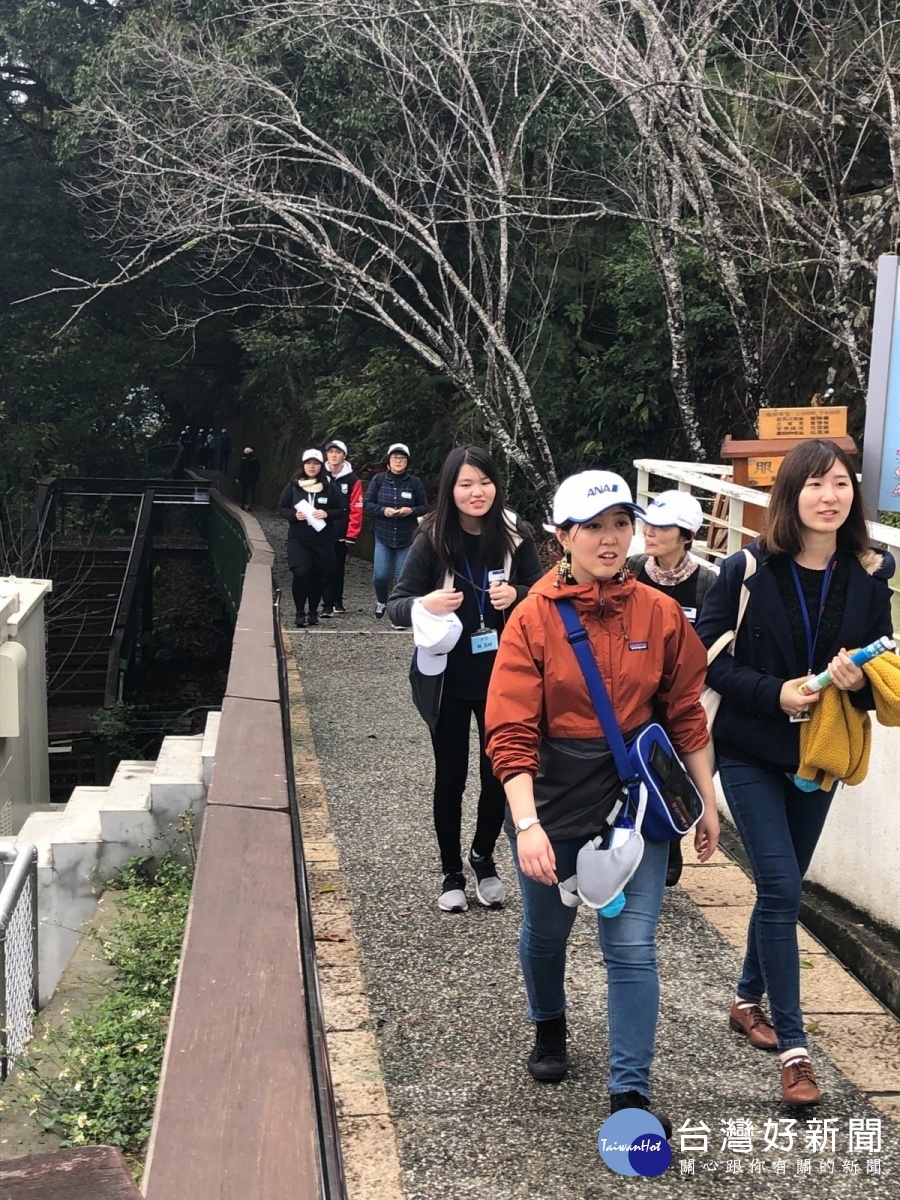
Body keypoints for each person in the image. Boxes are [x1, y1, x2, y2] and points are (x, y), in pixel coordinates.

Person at [485, 469, 719, 1128]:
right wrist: (526, 824)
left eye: (621, 523)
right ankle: (550, 1024)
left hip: (634, 803)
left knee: (633, 947)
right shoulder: (533, 617)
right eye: (593, 526)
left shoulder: (661, 612)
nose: (611, 538)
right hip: (552, 800)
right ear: (562, 537)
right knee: (548, 931)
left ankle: (630, 1093)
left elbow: (685, 715)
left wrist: (704, 802)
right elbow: (510, 731)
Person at [695, 439, 894, 1108]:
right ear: (789, 497)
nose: (829, 496)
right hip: (751, 746)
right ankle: (796, 1050)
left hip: (823, 753)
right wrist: (775, 692)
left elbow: (880, 670)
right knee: (780, 884)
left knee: (782, 889)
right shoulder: (747, 568)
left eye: (839, 483)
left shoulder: (870, 570)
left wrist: (858, 677)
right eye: (814, 485)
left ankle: (747, 998)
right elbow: (710, 661)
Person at [386, 446, 543, 912]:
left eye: (485, 482)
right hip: (448, 680)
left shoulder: (516, 535)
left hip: (505, 677)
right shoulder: (432, 538)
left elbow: (543, 593)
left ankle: (484, 856)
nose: (477, 493)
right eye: (465, 484)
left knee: (501, 772)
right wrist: (424, 604)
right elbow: (397, 605)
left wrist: (516, 594)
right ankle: (450, 869)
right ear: (450, 490)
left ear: (497, 485)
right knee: (450, 774)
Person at [627, 489, 719, 887]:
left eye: (662, 526)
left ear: (686, 535)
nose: (649, 531)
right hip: (635, 689)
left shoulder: (709, 582)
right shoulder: (630, 570)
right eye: (647, 522)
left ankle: (669, 841)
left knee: (676, 770)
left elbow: (717, 641)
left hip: (685, 694)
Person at [277, 450, 342, 627]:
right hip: (298, 538)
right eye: (308, 463)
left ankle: (313, 611)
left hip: (322, 540)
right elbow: (282, 507)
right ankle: (299, 612)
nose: (312, 467)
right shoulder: (294, 486)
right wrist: (293, 515)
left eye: (315, 463)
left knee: (317, 575)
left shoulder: (329, 486)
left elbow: (341, 509)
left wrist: (326, 513)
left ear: (321, 466)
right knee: (301, 572)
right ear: (303, 465)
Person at [364, 443, 429, 622]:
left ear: (407, 462)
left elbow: (424, 507)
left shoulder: (414, 483)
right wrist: (383, 510)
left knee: (402, 577)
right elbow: (368, 504)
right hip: (383, 535)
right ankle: (382, 600)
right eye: (394, 458)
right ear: (388, 462)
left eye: (402, 458)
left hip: (406, 537)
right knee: (380, 575)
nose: (398, 461)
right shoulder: (378, 480)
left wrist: (411, 511)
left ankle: (398, 612)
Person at [321, 439, 363, 617]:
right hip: (320, 530)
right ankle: (326, 603)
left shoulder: (353, 480)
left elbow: (357, 507)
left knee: (338, 567)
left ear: (344, 455)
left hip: (341, 531)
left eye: (337, 452)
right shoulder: (319, 476)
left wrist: (352, 533)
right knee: (323, 567)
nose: (334, 455)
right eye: (331, 452)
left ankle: (337, 600)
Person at [236, 447, 261, 511]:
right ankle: (250, 505)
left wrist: (238, 478)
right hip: (252, 479)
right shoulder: (255, 460)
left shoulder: (243, 461)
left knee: (244, 492)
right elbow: (258, 469)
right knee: (251, 492)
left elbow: (240, 470)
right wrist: (257, 478)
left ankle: (243, 504)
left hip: (244, 479)